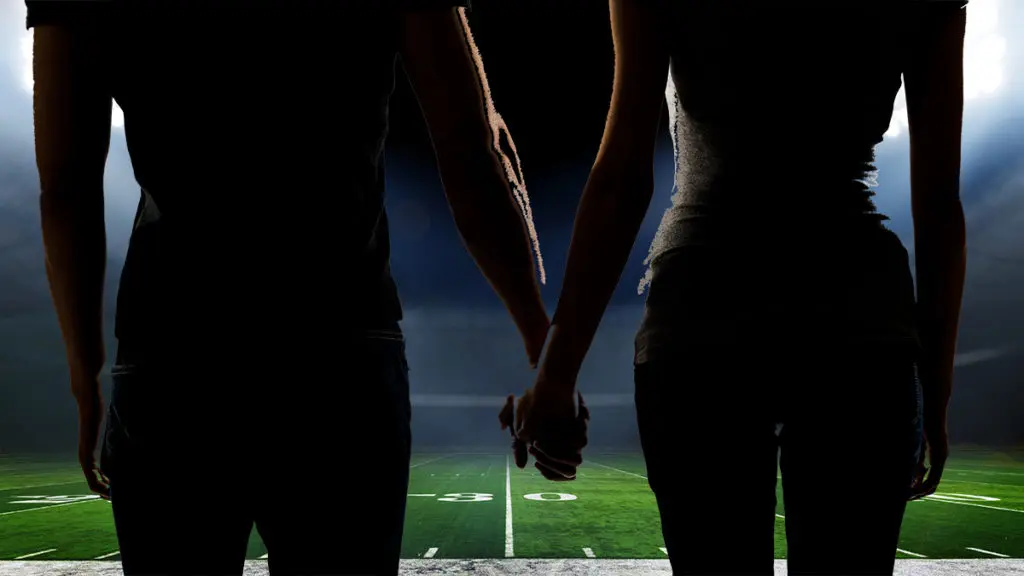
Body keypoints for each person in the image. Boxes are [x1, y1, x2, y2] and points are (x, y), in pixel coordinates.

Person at [28, 1, 549, 574]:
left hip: (173, 353)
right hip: (338, 350)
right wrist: (542, 344)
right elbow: (472, 150)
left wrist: (85, 372)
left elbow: (67, 187)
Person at [505, 0, 967, 574]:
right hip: (859, 322)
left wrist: (556, 370)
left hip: (700, 319)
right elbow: (939, 205)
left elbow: (622, 178)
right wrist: (938, 389)